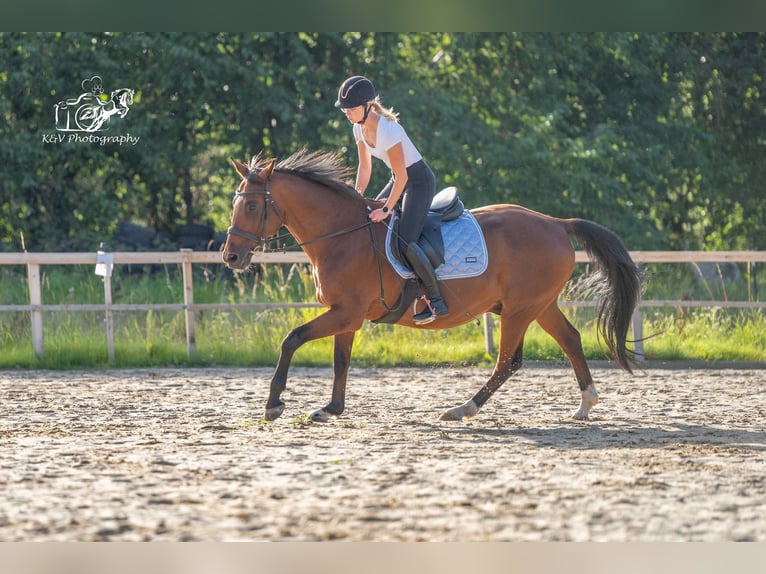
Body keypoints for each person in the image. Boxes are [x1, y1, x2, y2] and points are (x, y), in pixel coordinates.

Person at [335, 75, 449, 325]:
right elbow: (365, 168)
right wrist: (357, 197)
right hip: (399, 179)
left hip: (417, 182)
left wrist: (386, 209)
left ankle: (434, 298)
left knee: (405, 240)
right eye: (345, 110)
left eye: (351, 109)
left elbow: (403, 174)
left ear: (367, 106)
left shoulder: (389, 130)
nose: (347, 114)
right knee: (372, 226)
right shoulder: (358, 128)